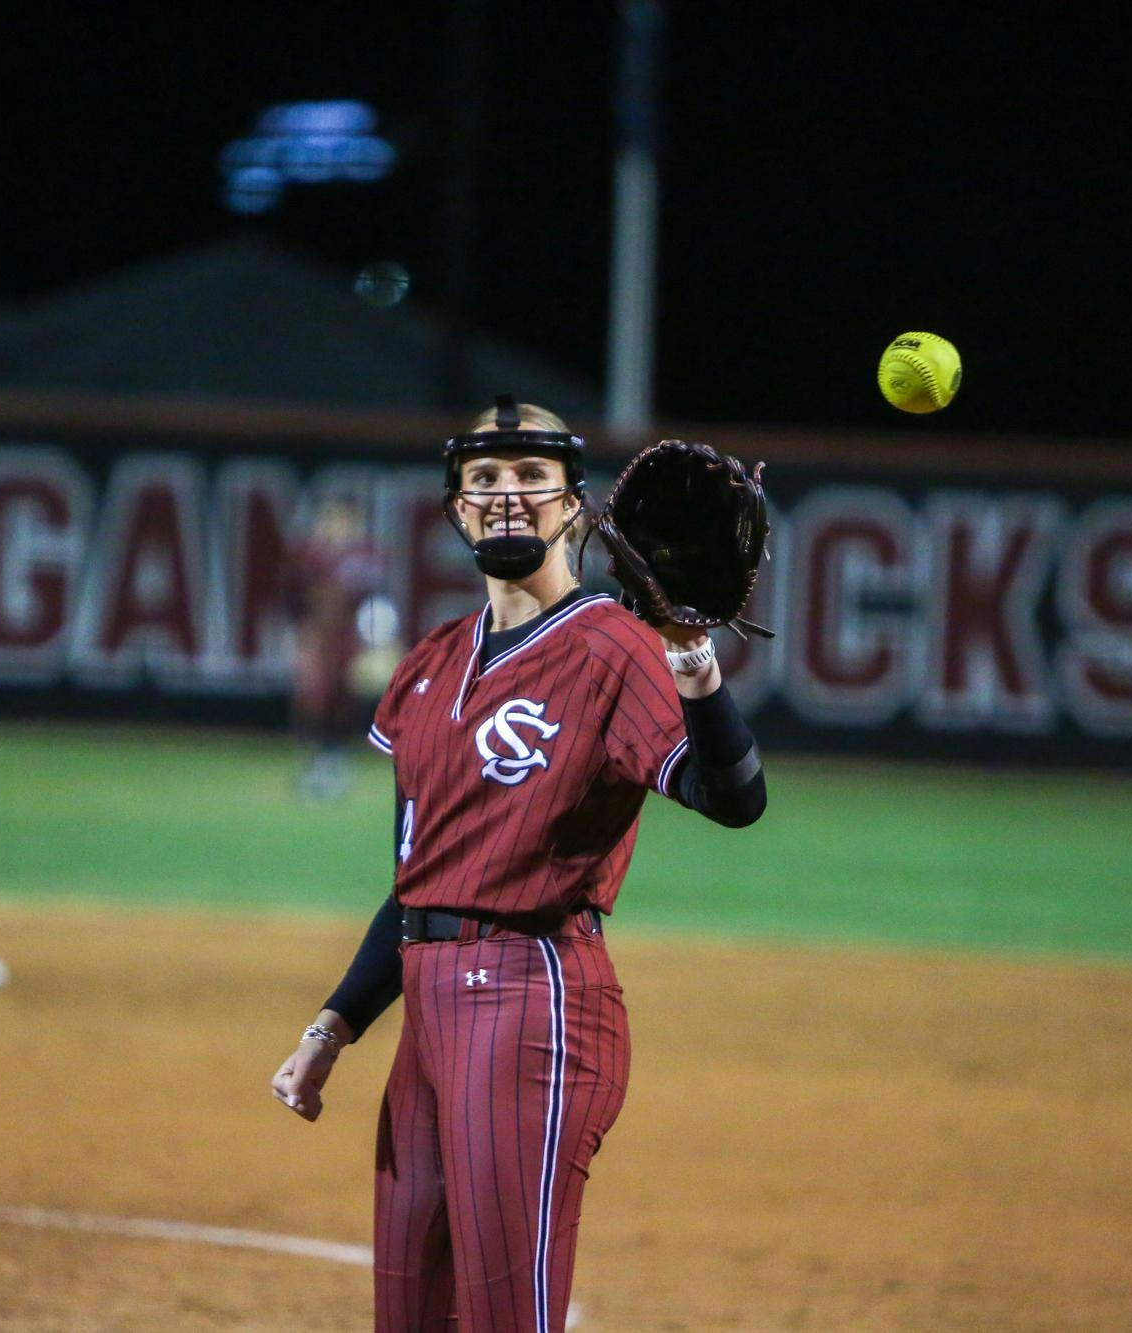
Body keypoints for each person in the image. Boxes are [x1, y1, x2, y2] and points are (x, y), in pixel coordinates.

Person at [270, 396, 768, 1332]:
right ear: (456, 509)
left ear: (573, 505)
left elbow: (731, 796)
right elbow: (415, 882)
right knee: (412, 1308)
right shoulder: (428, 664)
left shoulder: (613, 645)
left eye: (530, 478)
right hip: (428, 1012)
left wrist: (694, 662)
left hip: (532, 1000)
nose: (506, 497)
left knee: (506, 1311)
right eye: (484, 481)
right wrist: (333, 1025)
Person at [287, 494, 387, 801]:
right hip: (317, 635)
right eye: (330, 518)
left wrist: (378, 640)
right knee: (313, 697)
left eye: (342, 519)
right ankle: (314, 761)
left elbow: (378, 600)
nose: (335, 526)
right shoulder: (309, 555)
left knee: (344, 698)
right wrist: (297, 634)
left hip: (350, 637)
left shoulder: (365, 556)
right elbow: (292, 598)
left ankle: (335, 760)